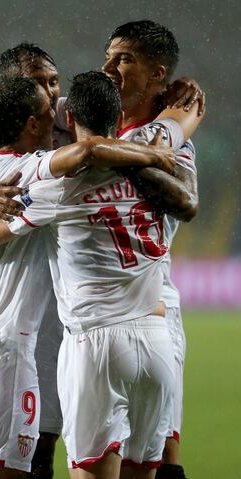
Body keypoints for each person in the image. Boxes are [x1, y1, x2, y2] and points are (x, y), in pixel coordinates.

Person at [0, 40, 202, 479]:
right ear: (13, 98)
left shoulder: (59, 132)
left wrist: (170, 94)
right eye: (38, 85)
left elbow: (103, 112)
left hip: (43, 323)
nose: (52, 95)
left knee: (38, 458)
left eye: (54, 82)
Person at [0, 73, 178, 479]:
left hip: (86, 341)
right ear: (119, 117)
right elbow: (181, 199)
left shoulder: (21, 185)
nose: (55, 118)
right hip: (155, 339)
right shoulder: (157, 184)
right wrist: (154, 155)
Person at [102, 20, 200, 479]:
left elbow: (185, 202)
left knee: (158, 461)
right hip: (86, 316)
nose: (109, 67)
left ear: (157, 73)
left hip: (152, 307)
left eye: (124, 59)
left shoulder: (176, 143)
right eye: (109, 56)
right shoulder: (92, 122)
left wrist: (130, 152)